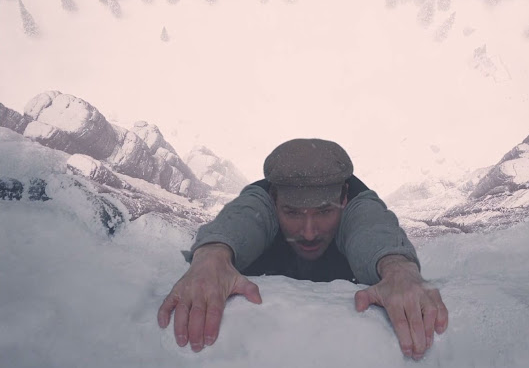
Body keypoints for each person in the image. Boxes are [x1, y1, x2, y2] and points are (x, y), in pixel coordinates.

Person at [157, 138, 448, 360]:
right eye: (293, 213)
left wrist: (396, 267)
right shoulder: (264, 200)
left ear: (344, 197)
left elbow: (370, 224)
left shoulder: (356, 204)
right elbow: (246, 214)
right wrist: (212, 254)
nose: (309, 232)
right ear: (274, 199)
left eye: (324, 212)